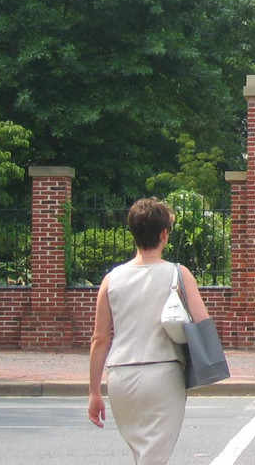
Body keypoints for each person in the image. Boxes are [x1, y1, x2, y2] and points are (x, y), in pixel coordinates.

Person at [88, 198, 209, 465]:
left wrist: (94, 391)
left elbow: (100, 338)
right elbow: (202, 323)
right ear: (164, 233)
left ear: (132, 232)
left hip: (121, 375)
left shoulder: (112, 279)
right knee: (154, 458)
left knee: (142, 455)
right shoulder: (178, 274)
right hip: (163, 373)